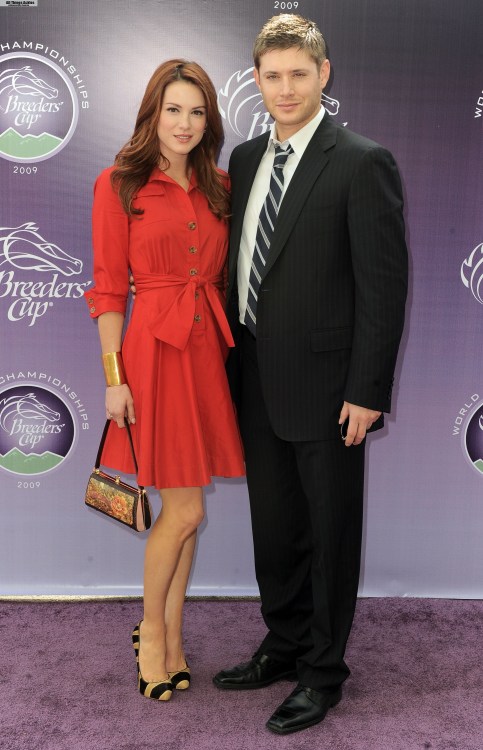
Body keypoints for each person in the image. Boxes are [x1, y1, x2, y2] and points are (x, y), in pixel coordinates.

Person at [212, 14, 408, 735]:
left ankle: (322, 672)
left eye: (299, 73)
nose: (285, 88)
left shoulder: (362, 161)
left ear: (323, 75)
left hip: (332, 393)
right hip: (255, 378)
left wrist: (367, 390)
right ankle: (285, 643)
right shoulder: (242, 157)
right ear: (257, 80)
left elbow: (383, 288)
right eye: (272, 75)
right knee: (276, 530)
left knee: (328, 535)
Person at [84, 60, 245, 702]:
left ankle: (173, 634)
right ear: (152, 113)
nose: (184, 124)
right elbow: (105, 290)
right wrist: (113, 377)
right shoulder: (119, 185)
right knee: (186, 509)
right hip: (150, 354)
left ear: (209, 121)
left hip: (206, 354)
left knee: (186, 513)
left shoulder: (221, 187)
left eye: (196, 112)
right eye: (172, 110)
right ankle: (151, 632)